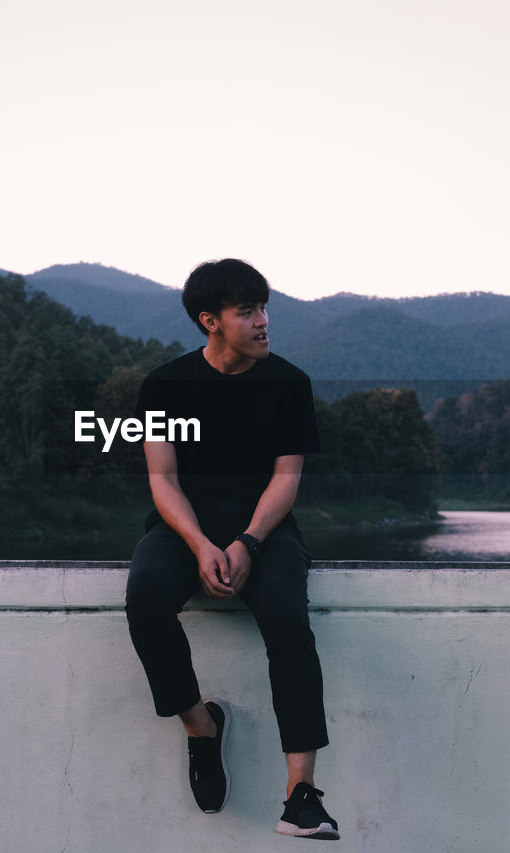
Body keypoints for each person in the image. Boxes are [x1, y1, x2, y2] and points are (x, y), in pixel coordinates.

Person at [124, 258, 340, 840]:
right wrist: (198, 543)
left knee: (287, 617)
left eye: (264, 308)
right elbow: (163, 480)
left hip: (265, 530)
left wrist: (247, 540)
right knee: (145, 593)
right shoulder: (165, 386)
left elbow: (287, 478)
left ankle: (301, 793)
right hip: (182, 527)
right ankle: (201, 726)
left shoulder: (288, 383)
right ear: (210, 321)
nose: (263, 321)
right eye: (247, 312)